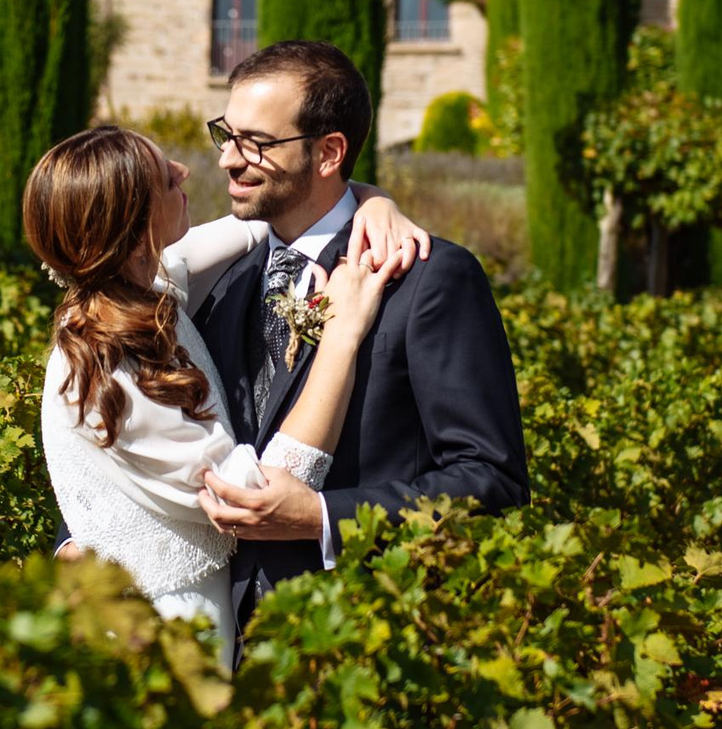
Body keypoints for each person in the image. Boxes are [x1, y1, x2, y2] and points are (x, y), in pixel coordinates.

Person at [23, 124, 429, 662]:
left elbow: (256, 227)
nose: (185, 172)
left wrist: (373, 202)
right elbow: (250, 495)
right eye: (166, 178)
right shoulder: (109, 365)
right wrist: (341, 336)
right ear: (136, 221)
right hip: (161, 629)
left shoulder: (144, 284)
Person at [189, 40, 529, 649]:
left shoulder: (429, 280)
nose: (228, 161)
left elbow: (491, 481)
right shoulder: (223, 278)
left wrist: (321, 519)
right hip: (222, 648)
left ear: (329, 153)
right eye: (225, 134)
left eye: (256, 144)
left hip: (366, 644)